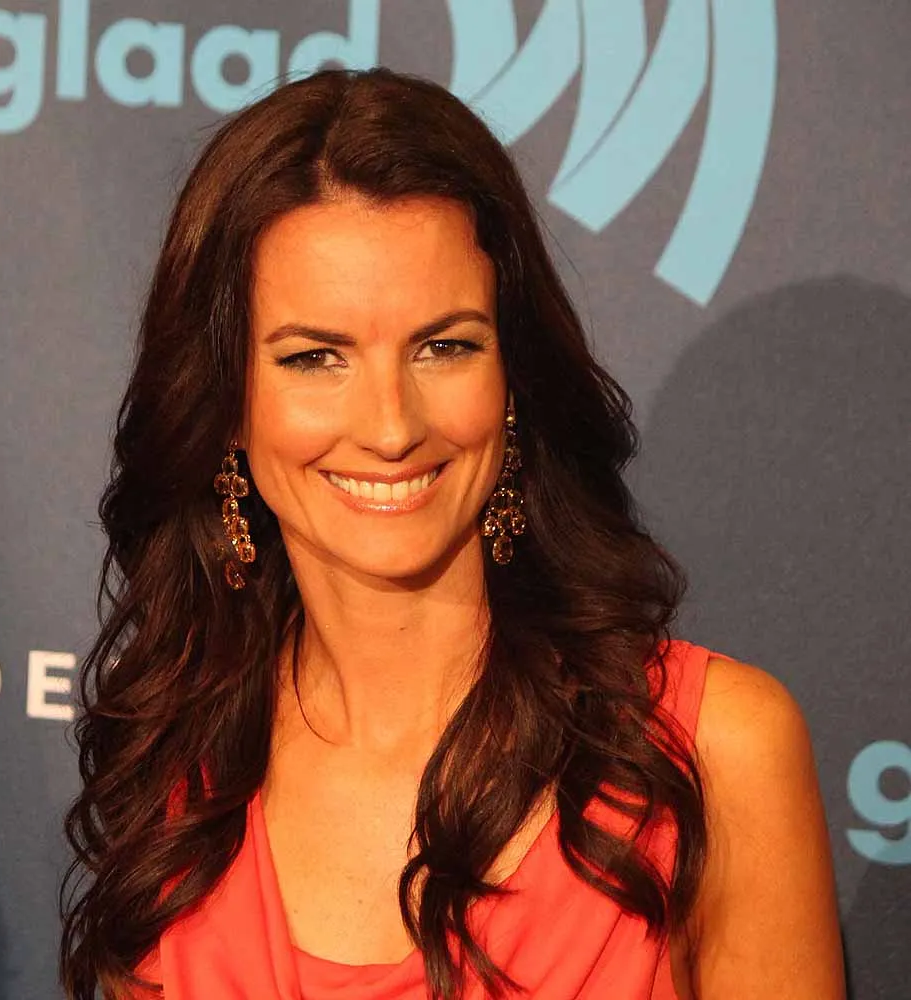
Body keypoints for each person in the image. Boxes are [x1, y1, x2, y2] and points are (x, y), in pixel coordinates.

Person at [59, 68, 845, 1000]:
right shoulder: (179, 767)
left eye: (445, 347)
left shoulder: (711, 751)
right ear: (225, 402)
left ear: (513, 377)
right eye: (316, 357)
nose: (391, 427)